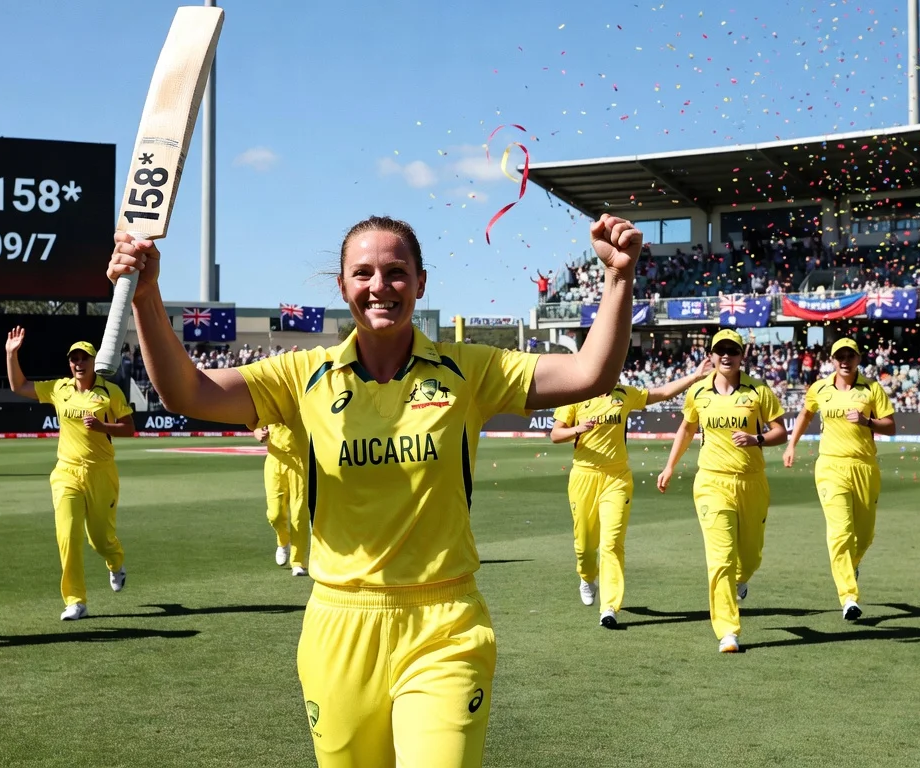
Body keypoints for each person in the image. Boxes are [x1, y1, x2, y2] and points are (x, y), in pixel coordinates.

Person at [109, 213, 638, 767]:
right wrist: (147, 297)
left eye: (396, 272)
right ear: (343, 287)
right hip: (339, 625)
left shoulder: (468, 370)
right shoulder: (301, 375)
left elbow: (589, 374)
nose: (379, 286)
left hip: (445, 622)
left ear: (421, 282)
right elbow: (186, 392)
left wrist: (619, 277)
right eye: (362, 273)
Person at [550, 357, 711, 628]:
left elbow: (660, 393)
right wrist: (579, 428)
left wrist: (693, 377)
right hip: (584, 476)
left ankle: (610, 606)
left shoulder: (625, 394)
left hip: (618, 478)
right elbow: (555, 434)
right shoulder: (576, 396)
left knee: (612, 543)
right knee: (584, 544)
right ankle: (587, 576)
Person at [656, 329, 787, 653]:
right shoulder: (698, 392)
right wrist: (670, 466)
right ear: (711, 356)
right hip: (711, 483)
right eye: (720, 350)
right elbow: (687, 429)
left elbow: (780, 432)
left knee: (751, 556)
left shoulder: (759, 391)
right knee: (720, 558)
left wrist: (756, 439)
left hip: (752, 482)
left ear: (742, 355)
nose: (726, 355)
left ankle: (742, 581)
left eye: (732, 350)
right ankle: (728, 631)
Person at [5, 327, 134, 620]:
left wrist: (103, 427)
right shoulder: (59, 388)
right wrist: (11, 354)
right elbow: (19, 386)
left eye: (84, 358)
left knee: (100, 539)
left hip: (101, 473)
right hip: (66, 472)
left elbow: (129, 428)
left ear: (93, 361)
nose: (78, 363)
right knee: (68, 536)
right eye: (74, 359)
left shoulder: (109, 391)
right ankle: (76, 600)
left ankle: (115, 562)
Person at [783, 339, 897, 621]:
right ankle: (849, 597)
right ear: (832, 360)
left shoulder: (872, 388)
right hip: (830, 466)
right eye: (839, 356)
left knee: (865, 535)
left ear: (858, 358)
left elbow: (891, 426)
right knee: (840, 532)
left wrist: (867, 421)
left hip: (864, 466)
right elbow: (806, 413)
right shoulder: (819, 388)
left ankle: (851, 564)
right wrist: (791, 445)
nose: (844, 360)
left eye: (849, 355)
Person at [252, 420, 310, 576]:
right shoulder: (272, 399)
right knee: (275, 514)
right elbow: (255, 420)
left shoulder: (303, 398)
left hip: (300, 460)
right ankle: (283, 540)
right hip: (275, 459)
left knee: (299, 514)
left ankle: (298, 562)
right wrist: (258, 432)